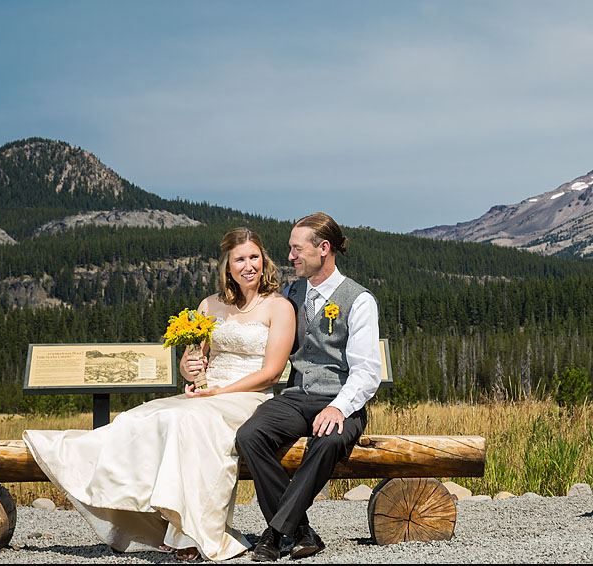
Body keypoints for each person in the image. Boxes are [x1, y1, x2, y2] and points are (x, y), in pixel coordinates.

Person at [24, 227, 295, 562]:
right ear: (227, 266)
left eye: (254, 257)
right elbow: (191, 361)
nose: (248, 265)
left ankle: (193, 533)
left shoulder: (279, 306)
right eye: (240, 259)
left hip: (248, 395)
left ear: (263, 260)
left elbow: (271, 372)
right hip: (208, 392)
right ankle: (152, 519)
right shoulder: (210, 305)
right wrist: (190, 368)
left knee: (188, 422)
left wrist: (221, 390)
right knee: (141, 416)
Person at [237, 213, 381, 561]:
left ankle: (274, 532)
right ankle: (300, 531)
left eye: (297, 249)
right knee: (250, 435)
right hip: (297, 396)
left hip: (341, 399)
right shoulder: (291, 294)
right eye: (290, 249)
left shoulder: (359, 300)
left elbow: (367, 372)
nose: (290, 257)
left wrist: (338, 408)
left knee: (328, 439)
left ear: (324, 249)